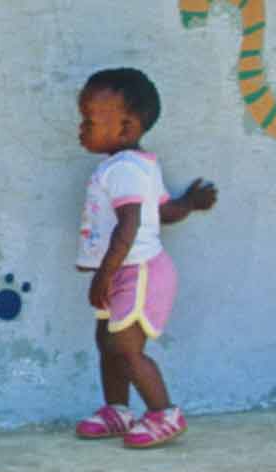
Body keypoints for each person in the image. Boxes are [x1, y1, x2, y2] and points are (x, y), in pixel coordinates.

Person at [68, 68, 218, 449]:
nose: (81, 127)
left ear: (126, 127)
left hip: (137, 273)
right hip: (124, 270)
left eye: (89, 120)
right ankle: (117, 409)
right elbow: (160, 212)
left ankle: (164, 413)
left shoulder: (124, 170)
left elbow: (130, 226)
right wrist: (190, 204)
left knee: (126, 348)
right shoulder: (134, 166)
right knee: (107, 342)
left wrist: (103, 278)